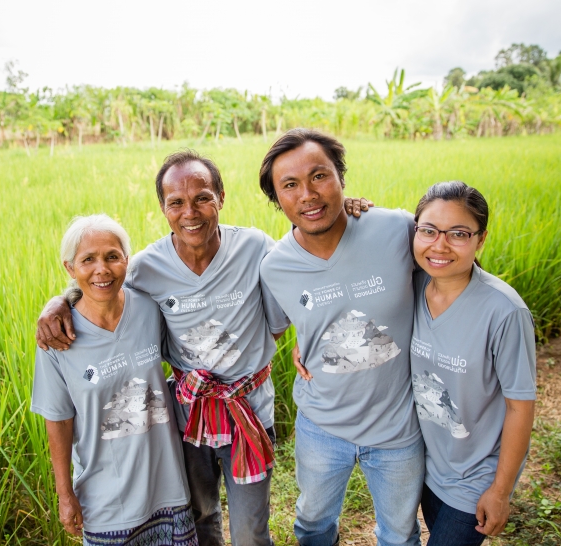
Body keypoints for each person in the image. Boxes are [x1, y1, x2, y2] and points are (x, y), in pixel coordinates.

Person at [36, 150, 371, 546]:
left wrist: (346, 211)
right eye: (176, 202)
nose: (190, 212)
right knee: (201, 516)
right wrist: (60, 301)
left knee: (249, 529)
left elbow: (306, 263)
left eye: (202, 198)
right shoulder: (147, 268)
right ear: (163, 209)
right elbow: (101, 283)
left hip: (249, 409)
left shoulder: (255, 248)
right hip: (187, 416)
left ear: (221, 197)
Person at [258, 128, 424, 546]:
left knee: (400, 535)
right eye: (290, 185)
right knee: (312, 525)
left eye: (320, 176)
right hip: (321, 424)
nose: (308, 194)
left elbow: (447, 287)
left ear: (341, 179)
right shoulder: (275, 267)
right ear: (277, 200)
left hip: (398, 427)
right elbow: (288, 323)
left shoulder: (397, 228)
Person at [30, 214, 197, 546]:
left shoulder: (150, 308)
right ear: (70, 268)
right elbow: (58, 421)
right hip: (106, 503)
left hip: (169, 489)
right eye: (87, 260)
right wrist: (65, 495)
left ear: (126, 261)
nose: (101, 269)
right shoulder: (58, 339)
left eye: (111, 256)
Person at [409, 181, 536, 545]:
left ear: (480, 240)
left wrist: (500, 491)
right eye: (429, 230)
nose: (440, 245)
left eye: (459, 233)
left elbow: (519, 406)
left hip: (474, 475)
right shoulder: (412, 285)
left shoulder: (504, 311)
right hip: (425, 464)